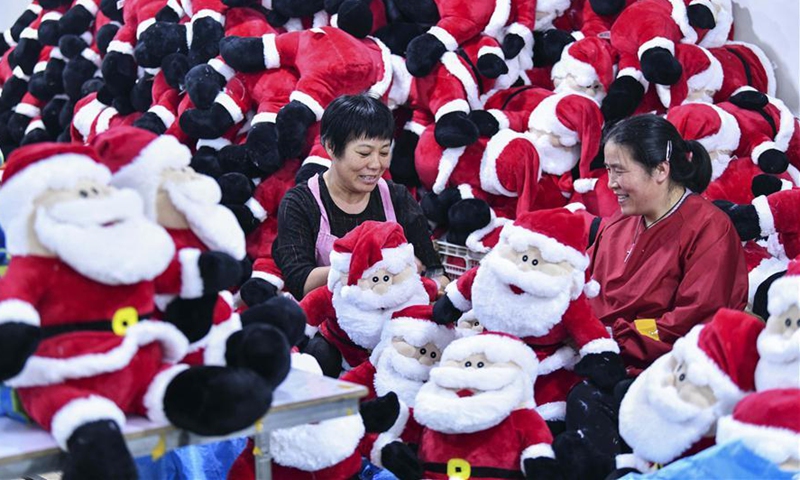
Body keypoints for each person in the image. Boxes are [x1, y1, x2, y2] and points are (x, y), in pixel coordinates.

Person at [588, 114, 748, 373]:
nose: (611, 183)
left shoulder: (710, 229)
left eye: (619, 170)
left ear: (661, 170)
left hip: (659, 369)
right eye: (608, 170)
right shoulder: (622, 219)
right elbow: (584, 280)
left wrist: (616, 336)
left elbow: (688, 322)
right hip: (594, 347)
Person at [273, 94, 446, 299]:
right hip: (327, 315)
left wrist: (435, 287)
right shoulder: (300, 203)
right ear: (331, 147)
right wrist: (369, 265)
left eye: (383, 153)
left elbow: (435, 272)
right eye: (364, 153)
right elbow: (300, 282)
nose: (375, 164)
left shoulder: (397, 198)